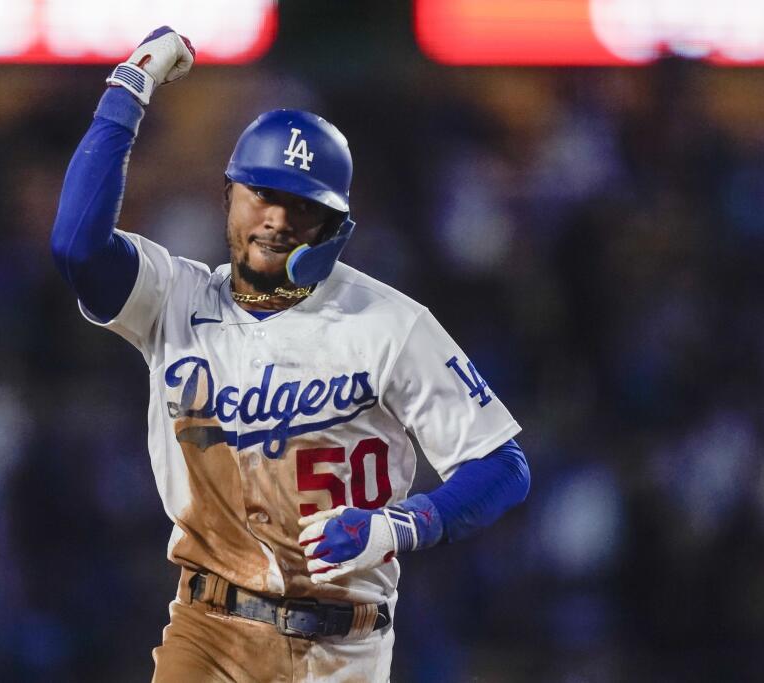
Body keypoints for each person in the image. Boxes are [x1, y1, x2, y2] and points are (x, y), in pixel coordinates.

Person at [50, 26, 530, 683]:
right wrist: (129, 89)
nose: (277, 218)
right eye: (262, 193)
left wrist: (403, 524)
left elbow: (503, 464)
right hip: (210, 630)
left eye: (302, 207)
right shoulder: (175, 295)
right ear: (229, 195)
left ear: (337, 226)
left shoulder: (389, 323)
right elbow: (78, 247)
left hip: (343, 647)